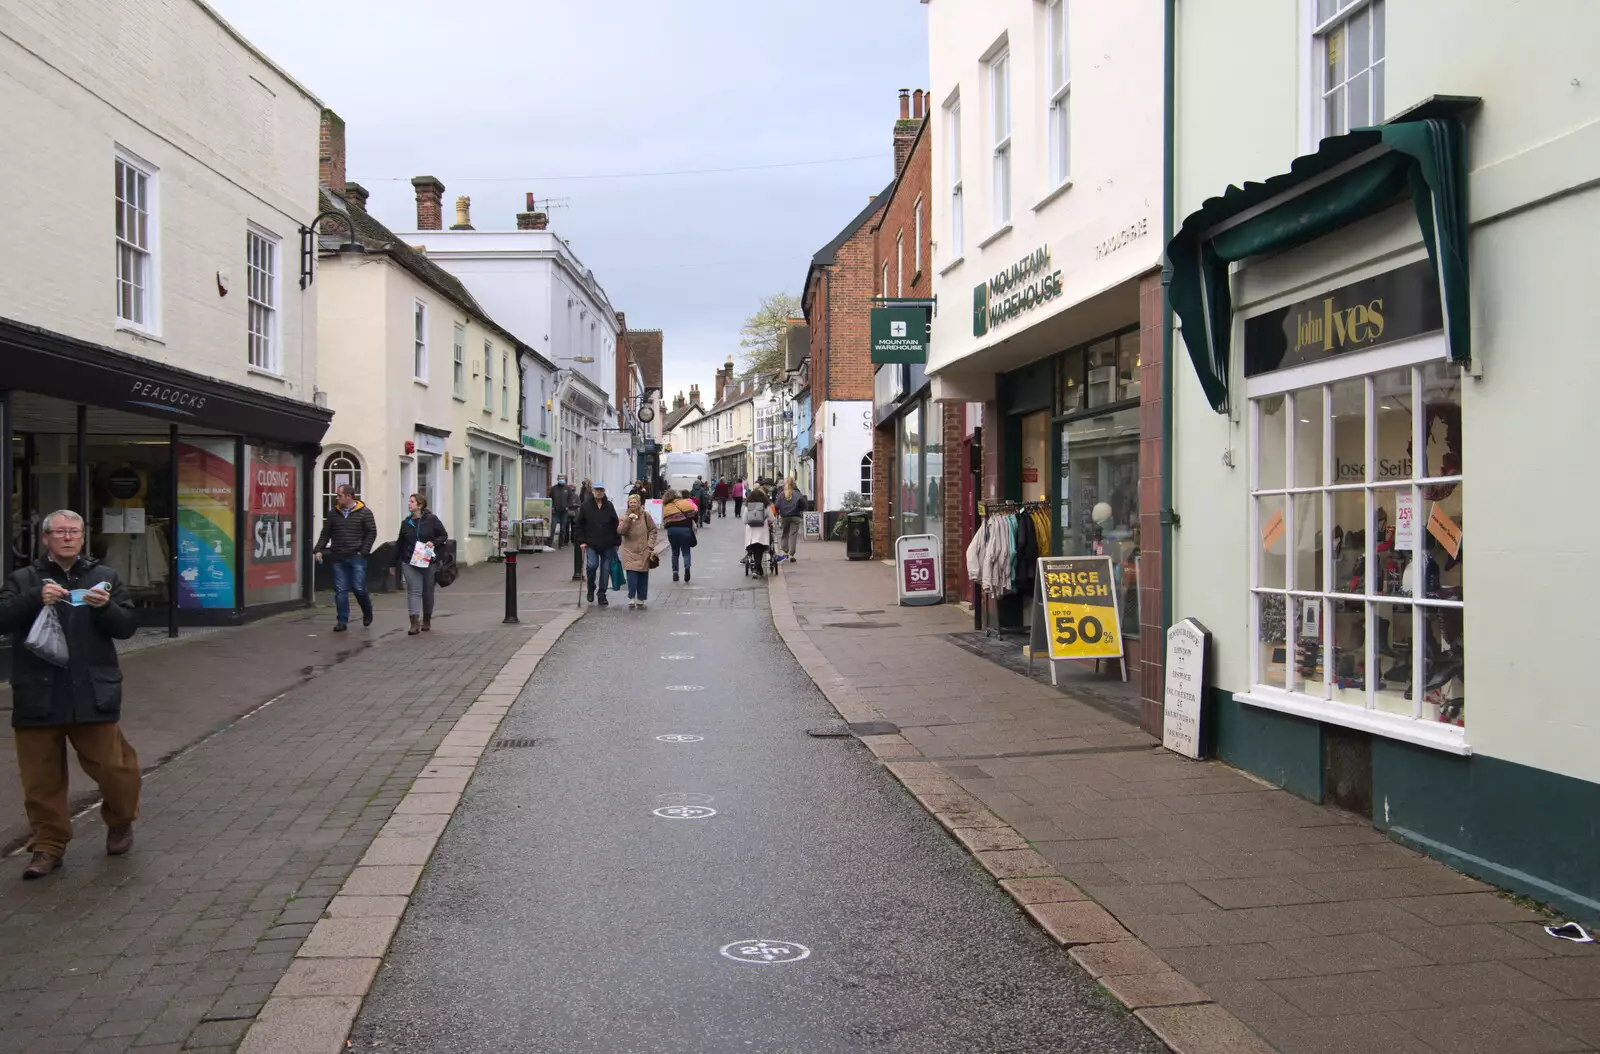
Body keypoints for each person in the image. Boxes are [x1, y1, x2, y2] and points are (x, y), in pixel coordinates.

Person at [0, 510, 140, 879]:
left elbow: (127, 627)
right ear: (45, 538)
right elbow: (2, 618)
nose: (67, 538)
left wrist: (105, 607)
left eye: (74, 532)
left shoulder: (104, 578)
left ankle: (121, 820)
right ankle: (48, 846)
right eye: (59, 532)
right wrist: (34, 598)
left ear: (83, 537)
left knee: (116, 770)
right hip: (37, 694)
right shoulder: (22, 579)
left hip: (92, 691)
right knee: (40, 781)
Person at [314, 484, 376, 632]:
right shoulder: (333, 514)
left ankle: (367, 611)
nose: (337, 498)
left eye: (340, 495)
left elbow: (371, 532)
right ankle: (342, 620)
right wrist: (318, 549)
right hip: (338, 556)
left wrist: (363, 551)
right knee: (340, 590)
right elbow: (325, 533)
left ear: (349, 496)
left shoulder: (365, 513)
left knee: (358, 588)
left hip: (356, 556)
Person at [394, 493, 448, 635]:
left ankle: (427, 619)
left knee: (427, 592)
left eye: (412, 502)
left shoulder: (431, 520)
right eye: (409, 501)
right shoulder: (406, 523)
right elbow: (400, 543)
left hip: (428, 560)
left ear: (420, 505)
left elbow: (443, 535)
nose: (409, 504)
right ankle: (414, 622)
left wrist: (434, 542)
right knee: (414, 591)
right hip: (409, 561)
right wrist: (393, 563)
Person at [574, 481, 620, 607]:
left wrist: (617, 541)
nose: (599, 492)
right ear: (593, 491)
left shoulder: (609, 505)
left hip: (608, 544)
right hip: (591, 543)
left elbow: (615, 524)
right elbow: (579, 525)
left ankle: (602, 594)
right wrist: (582, 541)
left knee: (605, 570)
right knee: (592, 566)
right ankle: (590, 588)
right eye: (597, 490)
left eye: (601, 490)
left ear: (604, 491)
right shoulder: (585, 506)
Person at [618, 493, 660, 610]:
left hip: (643, 549)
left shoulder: (646, 515)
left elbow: (653, 530)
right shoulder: (624, 516)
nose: (633, 504)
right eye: (630, 502)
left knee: (642, 574)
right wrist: (628, 520)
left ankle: (641, 597)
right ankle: (631, 597)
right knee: (631, 574)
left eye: (635, 502)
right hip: (629, 549)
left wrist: (650, 544)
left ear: (639, 503)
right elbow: (621, 531)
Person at [661, 489, 698, 582]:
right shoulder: (683, 502)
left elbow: (665, 519)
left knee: (675, 552)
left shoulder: (666, 506)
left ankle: (675, 572)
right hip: (685, 529)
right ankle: (687, 569)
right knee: (686, 551)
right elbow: (692, 513)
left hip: (672, 531)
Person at [773, 476, 807, 562]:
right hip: (795, 517)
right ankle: (791, 554)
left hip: (784, 517)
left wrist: (780, 511)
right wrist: (799, 509)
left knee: (785, 534)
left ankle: (785, 552)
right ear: (794, 483)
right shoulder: (797, 494)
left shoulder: (781, 494)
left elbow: (776, 506)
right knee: (793, 535)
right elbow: (804, 505)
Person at [743, 481, 773, 577]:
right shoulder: (766, 506)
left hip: (751, 534)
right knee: (759, 551)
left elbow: (744, 521)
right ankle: (757, 569)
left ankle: (757, 569)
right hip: (762, 533)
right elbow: (772, 519)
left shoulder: (748, 507)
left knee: (755, 551)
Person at [549, 476, 571, 548]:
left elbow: (570, 498)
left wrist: (568, 506)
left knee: (562, 529)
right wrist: (551, 507)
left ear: (565, 480)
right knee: (553, 527)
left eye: (563, 479)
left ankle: (561, 544)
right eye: (560, 479)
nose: (561, 480)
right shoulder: (554, 488)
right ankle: (549, 543)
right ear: (557, 479)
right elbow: (550, 498)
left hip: (564, 512)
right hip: (555, 511)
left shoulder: (567, 488)